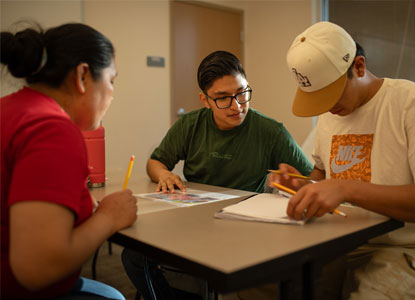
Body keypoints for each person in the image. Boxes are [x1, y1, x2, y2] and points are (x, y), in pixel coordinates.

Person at [271, 21, 415, 299]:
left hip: (412, 250)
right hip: (338, 244)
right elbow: (321, 177)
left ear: (359, 67)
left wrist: (346, 187)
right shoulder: (329, 116)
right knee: (263, 286)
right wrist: (302, 186)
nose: (328, 107)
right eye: (318, 99)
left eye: (331, 94)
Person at [122, 50, 313, 299]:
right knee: (134, 256)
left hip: (242, 227)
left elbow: (311, 179)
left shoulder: (271, 132)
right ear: (205, 99)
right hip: (191, 221)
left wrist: (296, 183)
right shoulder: (189, 125)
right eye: (222, 98)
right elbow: (156, 162)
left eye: (242, 93)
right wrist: (164, 174)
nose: (236, 106)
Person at [1, 23, 137, 300]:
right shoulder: (51, 129)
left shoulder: (10, 109)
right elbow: (37, 268)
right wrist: (108, 218)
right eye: (111, 80)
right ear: (83, 75)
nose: (112, 93)